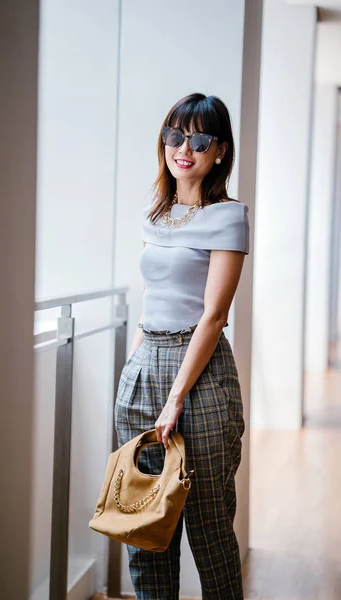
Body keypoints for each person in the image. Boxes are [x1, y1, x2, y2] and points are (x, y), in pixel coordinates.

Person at [114, 92, 249, 600]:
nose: (182, 148)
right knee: (146, 528)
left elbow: (213, 317)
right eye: (175, 135)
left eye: (198, 138)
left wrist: (174, 398)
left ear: (219, 151)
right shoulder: (157, 214)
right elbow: (152, 297)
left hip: (203, 375)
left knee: (210, 527)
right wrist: (136, 369)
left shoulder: (229, 217)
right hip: (146, 365)